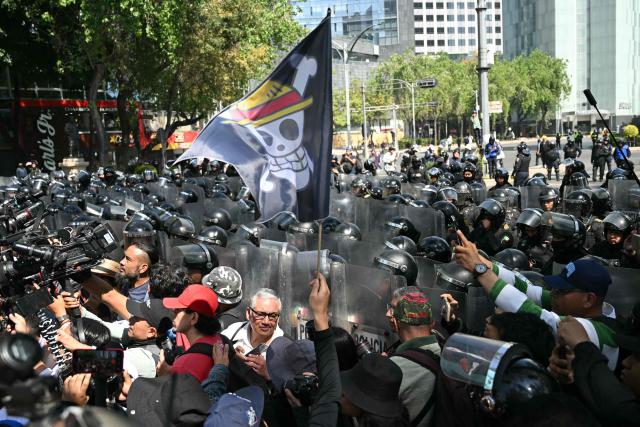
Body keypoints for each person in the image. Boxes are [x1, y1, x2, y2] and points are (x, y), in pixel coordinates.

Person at [454, 232, 624, 370]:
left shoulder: (598, 330)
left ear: (588, 299)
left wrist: (479, 269)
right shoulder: (576, 305)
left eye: (562, 290)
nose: (554, 293)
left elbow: (533, 314)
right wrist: (480, 260)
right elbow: (525, 288)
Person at [548, 316, 640, 426]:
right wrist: (572, 379)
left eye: (638, 358)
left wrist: (582, 346)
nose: (626, 362)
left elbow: (622, 411)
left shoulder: (625, 412)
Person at [387, 288, 440, 427]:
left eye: (392, 309)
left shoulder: (394, 367)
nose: (387, 313)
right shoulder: (447, 352)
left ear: (396, 321)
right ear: (432, 323)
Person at [158, 284, 223, 381]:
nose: (173, 313)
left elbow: (177, 395)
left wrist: (165, 377)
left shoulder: (183, 366)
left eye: (178, 310)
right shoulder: (220, 339)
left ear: (193, 318)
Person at [221, 288, 284, 378]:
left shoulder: (286, 348)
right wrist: (230, 354)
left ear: (278, 318)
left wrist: (268, 374)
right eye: (260, 314)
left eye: (272, 316)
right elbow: (213, 350)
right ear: (248, 313)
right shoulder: (234, 331)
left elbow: (291, 387)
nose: (266, 321)